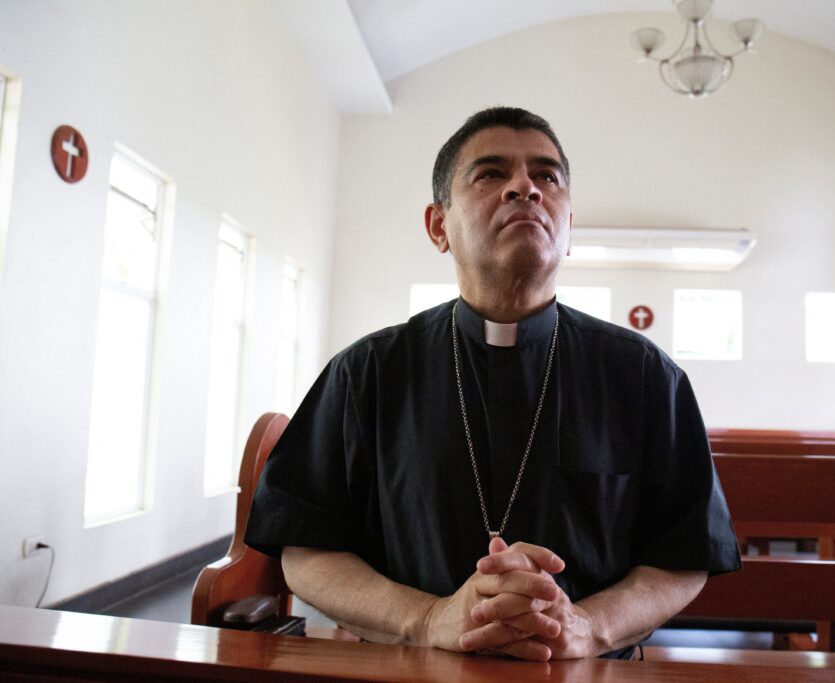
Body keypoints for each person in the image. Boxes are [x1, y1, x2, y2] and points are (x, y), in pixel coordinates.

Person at [245, 106, 741, 661]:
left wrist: (589, 626)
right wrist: (426, 618)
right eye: (491, 173)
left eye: (546, 176)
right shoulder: (368, 372)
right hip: (411, 672)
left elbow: (684, 554)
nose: (524, 187)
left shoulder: (645, 376)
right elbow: (306, 549)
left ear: (569, 227)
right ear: (439, 226)